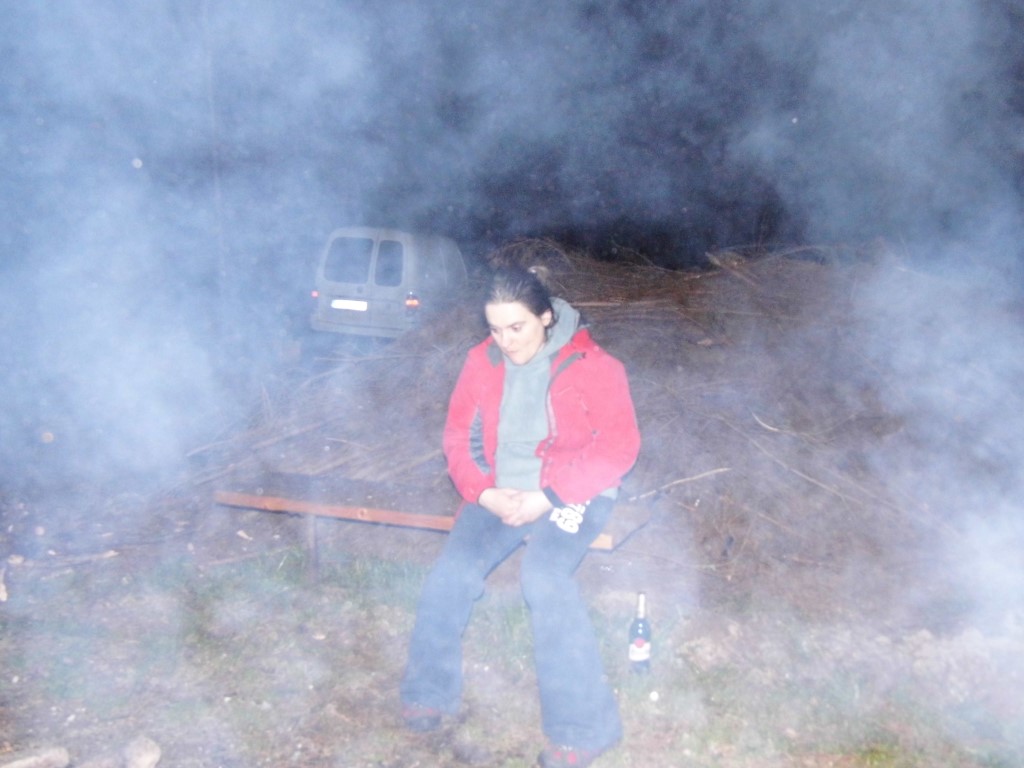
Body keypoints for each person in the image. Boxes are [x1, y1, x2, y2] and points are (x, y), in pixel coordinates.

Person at [400, 253, 641, 768]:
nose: (505, 341)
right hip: (501, 491)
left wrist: (548, 497)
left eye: (517, 328)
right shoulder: (481, 363)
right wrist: (484, 492)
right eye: (495, 329)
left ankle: (585, 729)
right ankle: (428, 691)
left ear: (546, 317)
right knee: (451, 574)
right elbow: (458, 438)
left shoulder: (594, 366)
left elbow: (618, 448)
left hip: (573, 492)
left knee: (544, 578)